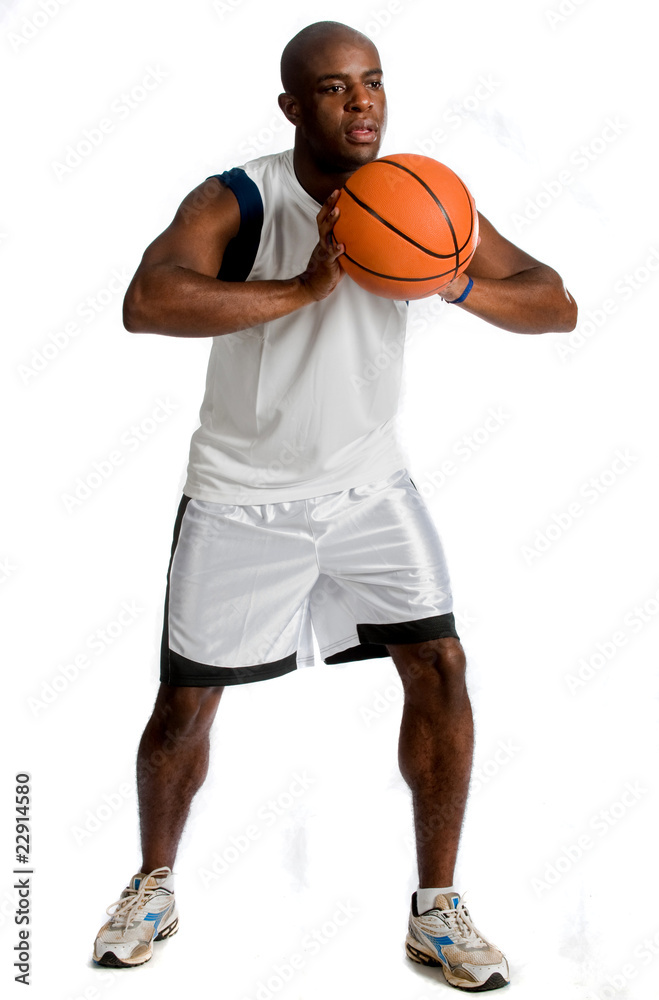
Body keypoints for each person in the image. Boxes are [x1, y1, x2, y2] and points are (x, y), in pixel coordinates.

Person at [92, 19, 576, 991]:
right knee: (187, 704)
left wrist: (454, 285)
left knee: (438, 663)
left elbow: (553, 299)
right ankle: (152, 883)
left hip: (366, 486)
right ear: (291, 106)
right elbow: (148, 301)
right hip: (239, 496)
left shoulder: (418, 199)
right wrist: (305, 285)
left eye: (371, 82)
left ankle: (433, 911)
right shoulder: (238, 196)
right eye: (331, 87)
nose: (360, 101)